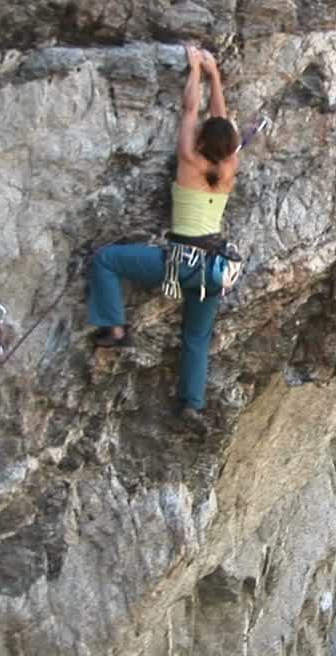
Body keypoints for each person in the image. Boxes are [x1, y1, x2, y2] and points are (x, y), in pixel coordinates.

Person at [87, 44, 252, 431]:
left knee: (106, 260)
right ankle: (190, 405)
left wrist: (195, 68)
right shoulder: (228, 168)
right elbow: (220, 120)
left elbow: (190, 110)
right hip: (214, 269)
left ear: (200, 143)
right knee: (196, 336)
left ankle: (114, 328)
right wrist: (215, 75)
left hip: (180, 264)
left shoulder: (190, 162)